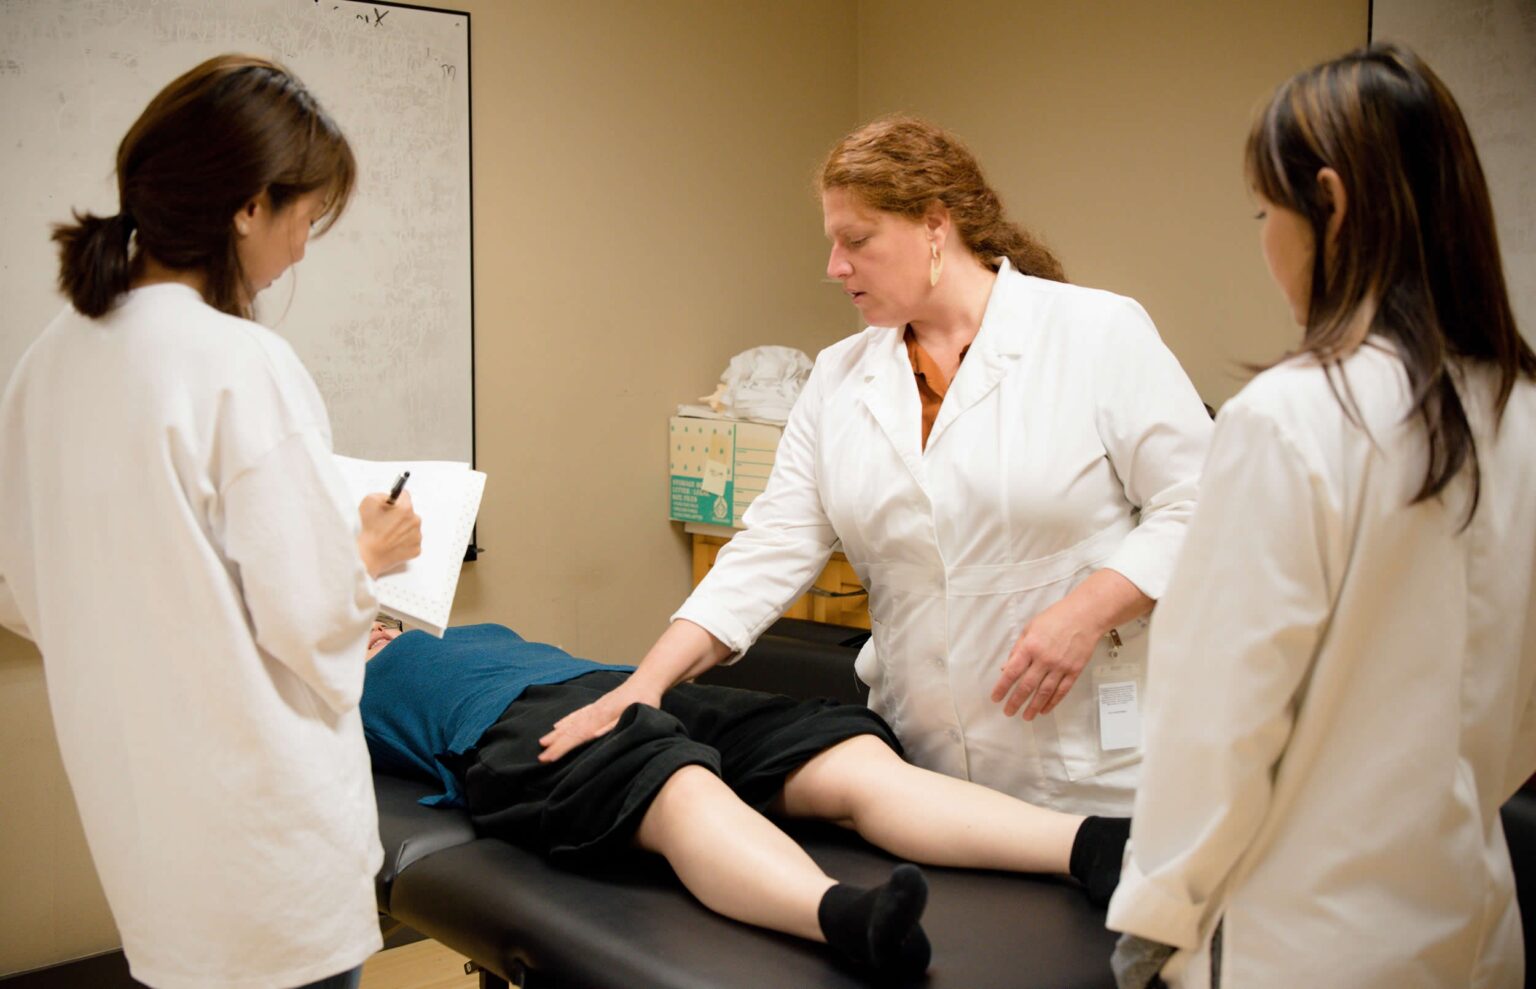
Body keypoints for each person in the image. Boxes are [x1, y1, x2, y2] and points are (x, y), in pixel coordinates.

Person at [540, 117, 1213, 815]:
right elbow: (771, 547)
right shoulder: (840, 377)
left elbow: (1203, 503)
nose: (834, 266)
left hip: (1094, 765)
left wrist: (1087, 608)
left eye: (856, 240)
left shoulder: (1093, 333)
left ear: (934, 225)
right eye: (834, 242)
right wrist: (645, 684)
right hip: (921, 765)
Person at [1106, 44, 1536, 989]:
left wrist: (1154, 918)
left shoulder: (1295, 417)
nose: (1264, 240)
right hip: (1470, 920)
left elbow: (1217, 719)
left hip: (1294, 940)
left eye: (1267, 213)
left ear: (1332, 207)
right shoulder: (1518, 407)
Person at [0, 56, 421, 989]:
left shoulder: (47, 362)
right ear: (247, 207)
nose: (304, 249)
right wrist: (369, 552)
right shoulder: (240, 363)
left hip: (148, 835)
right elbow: (308, 620)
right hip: (265, 847)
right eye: (307, 218)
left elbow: (29, 592)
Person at [361, 622, 1133, 981]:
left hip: (628, 682)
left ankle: (1094, 844)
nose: (368, 625)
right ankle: (845, 918)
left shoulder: (459, 628)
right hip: (508, 728)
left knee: (838, 752)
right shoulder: (334, 685)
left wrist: (643, 688)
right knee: (671, 781)